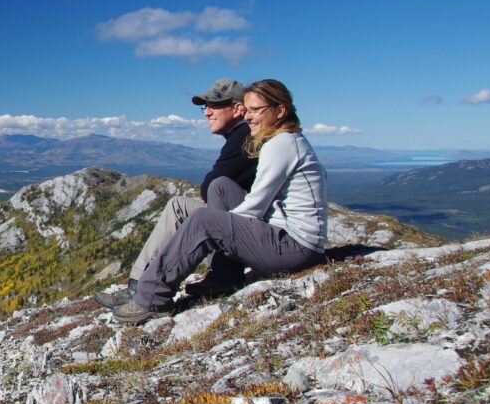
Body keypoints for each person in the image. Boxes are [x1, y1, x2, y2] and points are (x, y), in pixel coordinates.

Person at [111, 78, 328, 324]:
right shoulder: (286, 140)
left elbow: (255, 206)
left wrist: (212, 225)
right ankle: (223, 278)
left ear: (280, 111)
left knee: (203, 220)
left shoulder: (281, 144)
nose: (249, 117)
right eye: (249, 110)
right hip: (294, 241)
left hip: (296, 249)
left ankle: (151, 299)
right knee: (221, 187)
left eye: (257, 110)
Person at [92, 78, 257, 308]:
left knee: (195, 201)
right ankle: (138, 285)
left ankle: (218, 277)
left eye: (214, 105)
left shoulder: (244, 136)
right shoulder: (240, 135)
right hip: (247, 218)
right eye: (205, 106)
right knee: (179, 204)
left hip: (256, 227)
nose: (207, 113)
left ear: (238, 108)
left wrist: (210, 187)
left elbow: (212, 185)